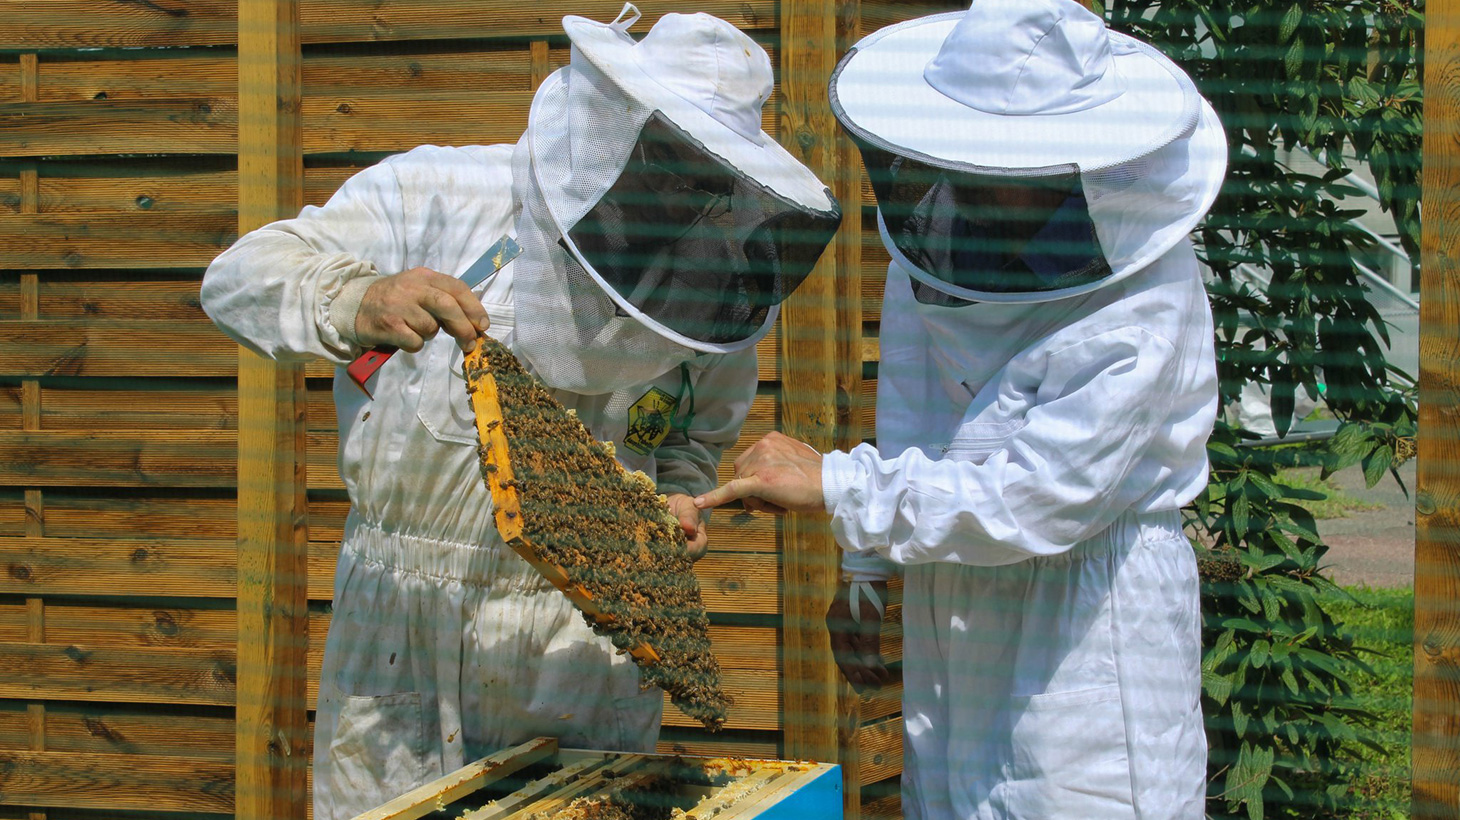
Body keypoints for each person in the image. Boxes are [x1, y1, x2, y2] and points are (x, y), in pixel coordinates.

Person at [201, 6, 839, 818]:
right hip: (403, 624)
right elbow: (240, 276)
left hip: (585, 638)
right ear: (615, 128)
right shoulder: (438, 190)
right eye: (669, 159)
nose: (683, 190)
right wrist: (356, 295)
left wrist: (674, 500)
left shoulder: (717, 291)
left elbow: (689, 437)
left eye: (704, 174)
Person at [695, 0, 1226, 817]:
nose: (974, 179)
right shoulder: (940, 235)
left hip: (1090, 622)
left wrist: (842, 490)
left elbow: (1041, 499)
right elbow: (913, 406)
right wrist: (866, 573)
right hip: (956, 601)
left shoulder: (1145, 297)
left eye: (1003, 163)